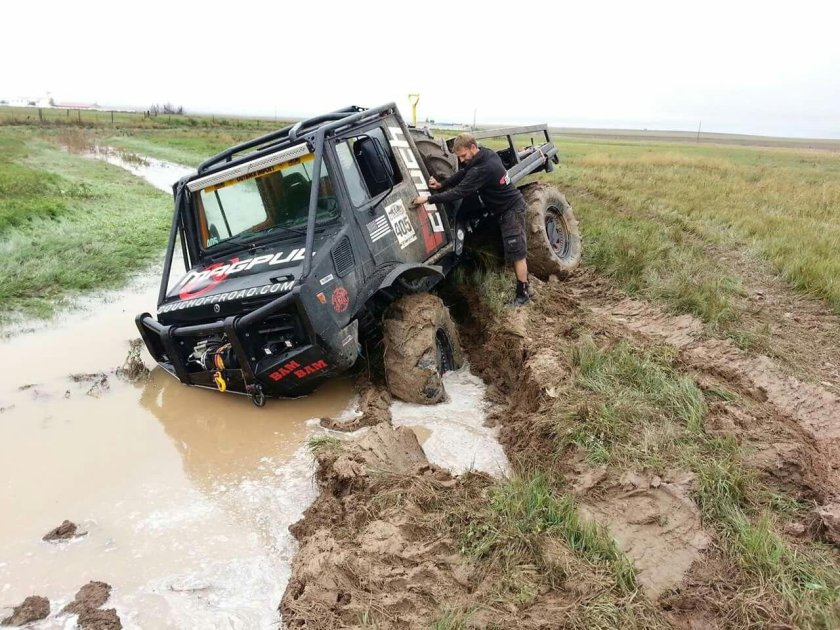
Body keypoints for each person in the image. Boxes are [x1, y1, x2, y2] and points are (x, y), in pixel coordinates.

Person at [411, 132, 530, 306]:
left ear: (473, 147)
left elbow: (458, 192)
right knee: (514, 251)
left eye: (463, 155)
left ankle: (523, 294)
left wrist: (428, 199)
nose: (461, 160)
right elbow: (464, 173)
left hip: (511, 210)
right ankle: (525, 287)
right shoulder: (486, 154)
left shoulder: (483, 169)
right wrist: (442, 184)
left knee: (517, 253)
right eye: (459, 157)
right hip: (503, 209)